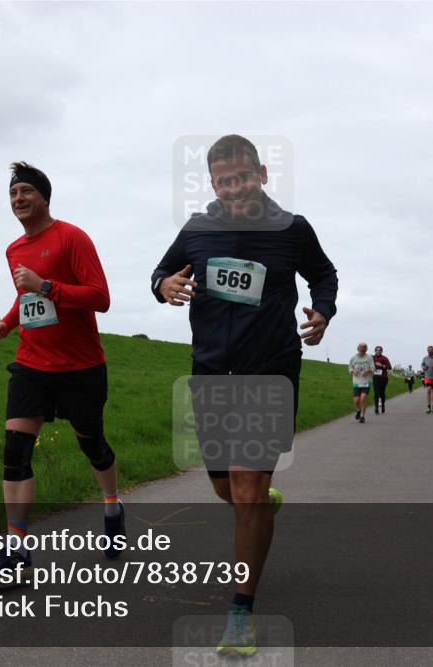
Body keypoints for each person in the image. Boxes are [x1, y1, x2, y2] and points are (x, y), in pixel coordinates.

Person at [151, 135, 338, 655]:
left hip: (270, 370)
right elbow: (160, 272)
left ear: (262, 173)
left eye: (243, 177)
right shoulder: (197, 229)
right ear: (212, 183)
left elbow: (324, 274)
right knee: (225, 490)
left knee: (248, 486)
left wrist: (323, 310)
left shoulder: (292, 230)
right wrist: (164, 285)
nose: (235, 189)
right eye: (224, 181)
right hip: (210, 371)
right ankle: (259, 509)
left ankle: (241, 612)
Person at [0, 161, 124, 573]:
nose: (18, 199)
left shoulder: (72, 238)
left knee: (92, 445)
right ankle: (16, 549)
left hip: (80, 366)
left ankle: (113, 506)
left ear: (44, 196)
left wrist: (46, 286)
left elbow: (100, 297)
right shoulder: (14, 250)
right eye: (12, 194)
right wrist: (6, 325)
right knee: (15, 453)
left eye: (26, 191)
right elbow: (24, 299)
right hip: (31, 363)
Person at [349, 343, 374, 423]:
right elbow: (349, 368)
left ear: (366, 349)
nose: (362, 350)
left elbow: (373, 368)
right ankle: (358, 410)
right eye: (361, 348)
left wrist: (368, 370)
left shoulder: (369, 358)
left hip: (366, 381)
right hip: (356, 382)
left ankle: (362, 416)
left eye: (364, 348)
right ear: (358, 349)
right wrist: (353, 370)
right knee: (356, 400)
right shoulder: (353, 358)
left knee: (363, 398)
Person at [372, 345, 392, 414]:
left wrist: (382, 365)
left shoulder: (384, 358)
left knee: (382, 393)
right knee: (376, 392)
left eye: (379, 350)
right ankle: (376, 408)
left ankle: (383, 405)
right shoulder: (372, 358)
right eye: (377, 350)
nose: (378, 351)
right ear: (375, 351)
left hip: (383, 377)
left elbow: (389, 367)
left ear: (381, 351)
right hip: (375, 377)